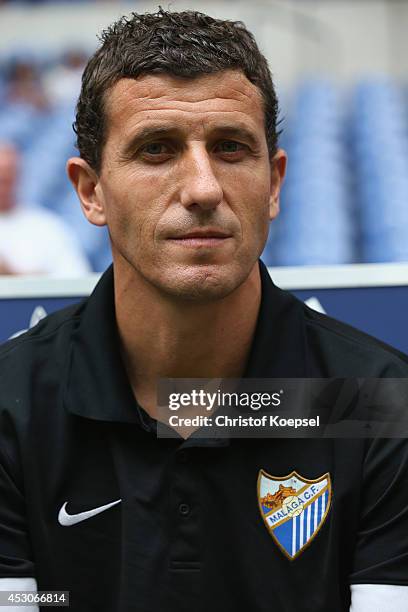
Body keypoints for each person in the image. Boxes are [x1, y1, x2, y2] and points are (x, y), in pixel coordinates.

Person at [0, 9, 407, 612]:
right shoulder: (11, 402)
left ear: (273, 184)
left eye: (231, 148)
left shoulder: (378, 404)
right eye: (157, 149)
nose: (203, 188)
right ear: (91, 192)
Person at [0, 141, 91, 275]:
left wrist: (12, 275)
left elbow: (75, 282)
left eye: (6, 178)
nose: (3, 186)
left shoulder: (48, 229)